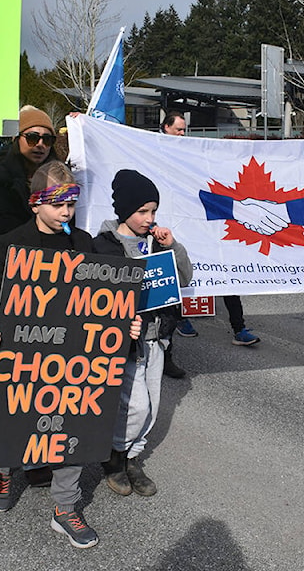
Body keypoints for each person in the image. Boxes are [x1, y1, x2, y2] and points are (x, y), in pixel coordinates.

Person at [0, 160, 141, 548]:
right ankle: (3, 469)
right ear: (36, 204)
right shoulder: (11, 243)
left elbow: (104, 302)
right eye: (57, 204)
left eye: (71, 204)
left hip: (73, 354)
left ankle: (65, 507)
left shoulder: (83, 243)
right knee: (15, 416)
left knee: (73, 420)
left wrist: (125, 326)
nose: (66, 212)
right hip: (23, 349)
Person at [92, 169, 193, 497]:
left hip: (156, 337)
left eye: (153, 211)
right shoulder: (105, 245)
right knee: (135, 406)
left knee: (153, 402)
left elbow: (185, 278)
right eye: (142, 212)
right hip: (126, 342)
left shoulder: (156, 242)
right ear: (124, 211)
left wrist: (172, 246)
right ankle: (114, 455)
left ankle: (133, 457)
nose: (149, 218)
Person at [159, 112, 260, 368]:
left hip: (204, 220)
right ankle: (180, 319)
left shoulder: (191, 150)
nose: (183, 134)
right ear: (165, 128)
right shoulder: (153, 150)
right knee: (181, 272)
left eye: (184, 130)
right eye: (179, 129)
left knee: (226, 270)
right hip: (176, 222)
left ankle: (239, 329)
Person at [0, 106, 59, 248]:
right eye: (32, 138)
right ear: (17, 139)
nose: (40, 145)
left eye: (47, 139)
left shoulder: (60, 178)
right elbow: (2, 234)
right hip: (12, 260)